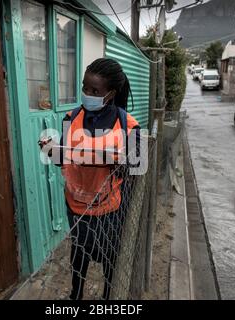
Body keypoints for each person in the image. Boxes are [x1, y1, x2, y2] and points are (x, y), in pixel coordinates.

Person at [39, 58, 140, 300]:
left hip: (110, 209)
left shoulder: (129, 125)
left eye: (95, 91)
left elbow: (137, 166)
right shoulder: (69, 119)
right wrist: (49, 149)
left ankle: (108, 297)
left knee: (109, 258)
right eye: (85, 87)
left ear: (110, 94)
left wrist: (118, 161)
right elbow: (60, 160)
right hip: (76, 206)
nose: (87, 94)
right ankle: (75, 296)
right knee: (79, 254)